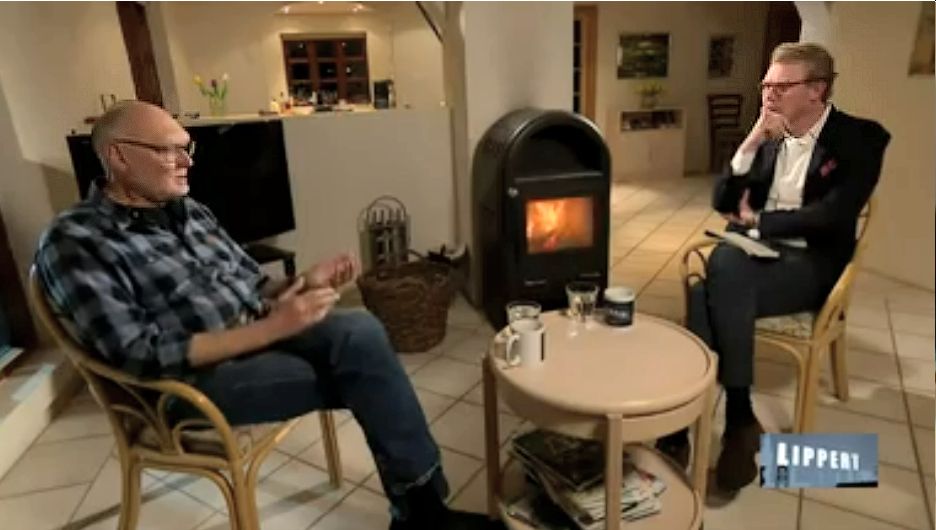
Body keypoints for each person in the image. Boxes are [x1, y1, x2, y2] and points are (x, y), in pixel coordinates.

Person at [34, 100, 502, 530]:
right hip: (184, 385)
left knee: (360, 332)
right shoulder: (75, 241)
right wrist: (275, 326)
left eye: (186, 148)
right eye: (168, 151)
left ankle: (420, 513)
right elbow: (140, 354)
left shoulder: (189, 211)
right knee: (365, 374)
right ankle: (423, 513)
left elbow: (253, 285)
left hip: (255, 333)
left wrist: (305, 283)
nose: (187, 162)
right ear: (118, 156)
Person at [656, 42, 890, 493]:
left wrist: (760, 222)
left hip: (811, 264)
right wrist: (752, 140)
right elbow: (722, 200)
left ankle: (688, 426)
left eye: (781, 86)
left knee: (711, 284)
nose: (768, 94)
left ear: (816, 90)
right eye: (766, 84)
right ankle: (738, 421)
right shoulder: (770, 136)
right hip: (755, 258)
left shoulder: (861, 138)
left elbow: (834, 214)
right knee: (722, 269)